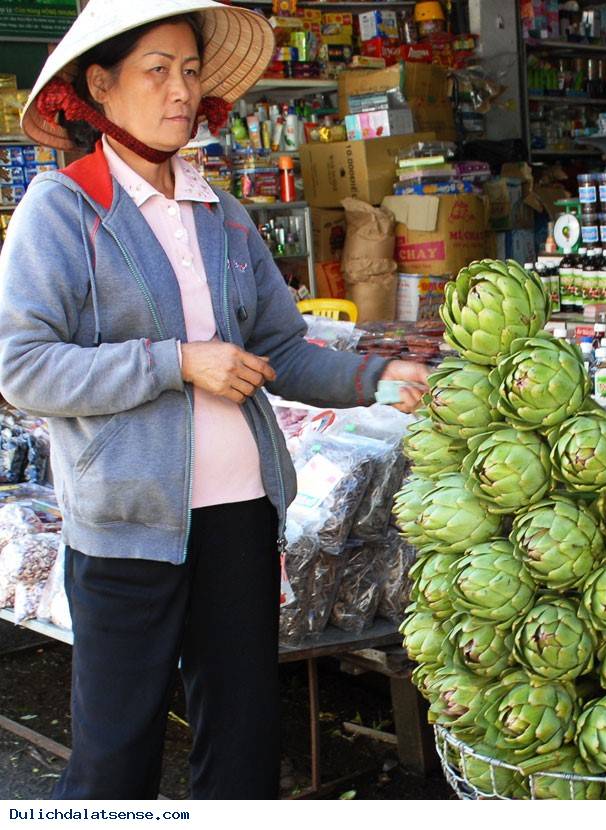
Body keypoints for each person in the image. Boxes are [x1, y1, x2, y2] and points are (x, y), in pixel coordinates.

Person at [0, 0, 429, 800]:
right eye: (156, 71)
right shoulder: (62, 212)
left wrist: (377, 379)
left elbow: (283, 352)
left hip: (239, 517)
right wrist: (174, 362)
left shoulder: (220, 213)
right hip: (128, 525)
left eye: (191, 71)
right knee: (115, 754)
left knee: (242, 741)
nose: (180, 91)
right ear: (101, 85)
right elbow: (23, 368)